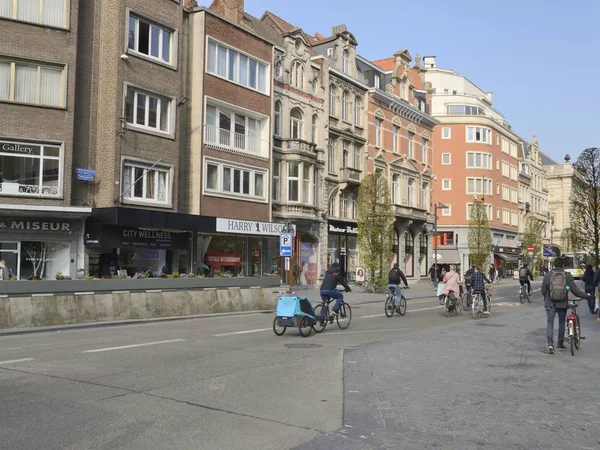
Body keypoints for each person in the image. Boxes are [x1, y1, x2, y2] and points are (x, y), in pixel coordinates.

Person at [541, 257, 590, 354]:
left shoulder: (548, 275)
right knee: (561, 323)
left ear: (554, 264)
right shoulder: (567, 275)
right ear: (563, 265)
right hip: (562, 303)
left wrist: (547, 297)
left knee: (550, 323)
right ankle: (560, 344)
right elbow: (574, 290)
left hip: (550, 303)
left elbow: (543, 289)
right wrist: (585, 295)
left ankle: (550, 344)